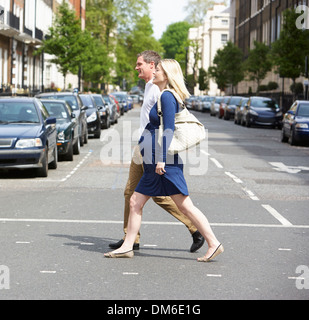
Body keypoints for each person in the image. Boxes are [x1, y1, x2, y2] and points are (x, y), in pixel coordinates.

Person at [105, 59, 223, 262]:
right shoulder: (163, 94)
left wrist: (160, 160)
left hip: (162, 161)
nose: (154, 72)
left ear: (166, 75)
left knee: (185, 206)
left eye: (157, 69)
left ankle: (213, 243)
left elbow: (168, 129)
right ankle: (127, 246)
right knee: (135, 201)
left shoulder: (167, 96)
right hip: (154, 159)